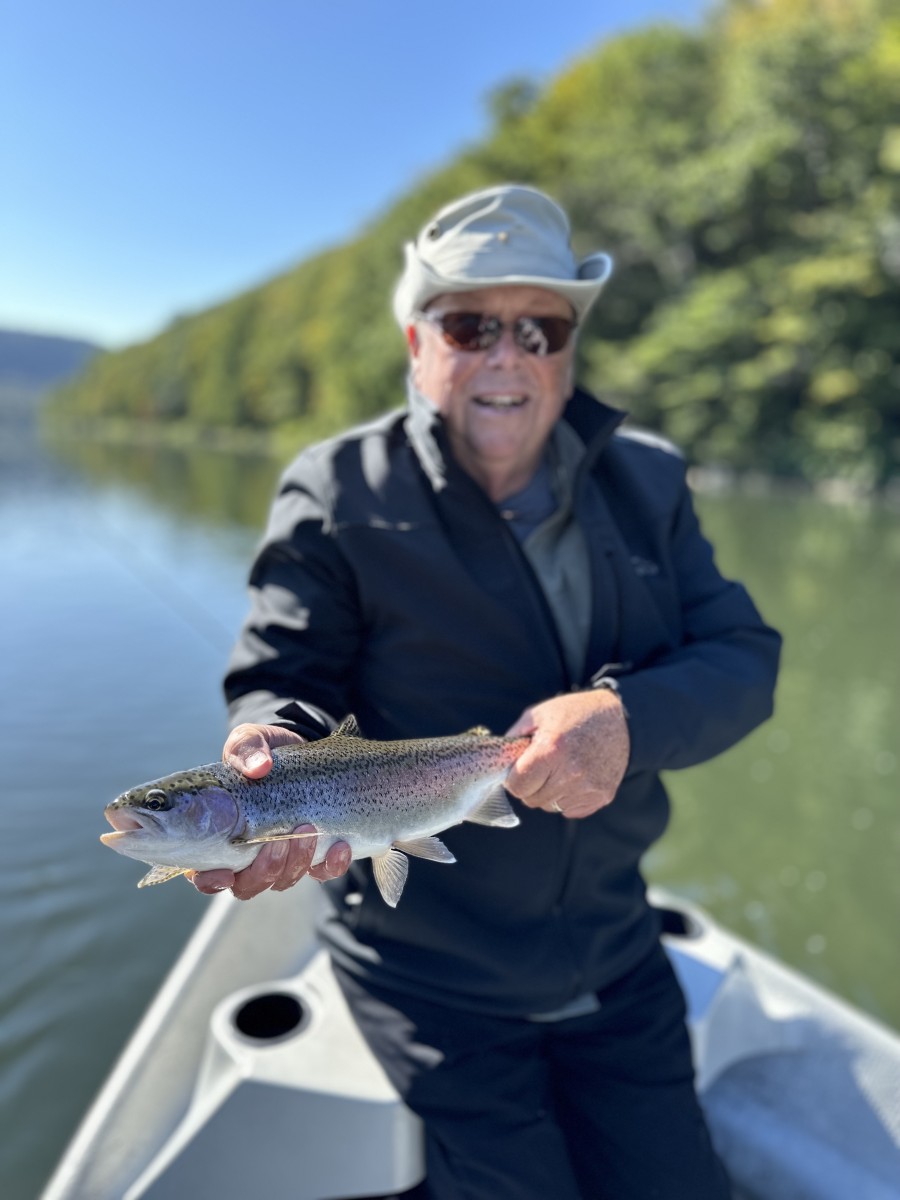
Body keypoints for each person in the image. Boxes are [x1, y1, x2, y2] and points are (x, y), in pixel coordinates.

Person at [191, 184, 781, 1199]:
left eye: (540, 328)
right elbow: (282, 679)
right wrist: (270, 750)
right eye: (471, 325)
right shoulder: (335, 490)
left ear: (569, 350)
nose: (508, 356)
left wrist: (628, 720)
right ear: (418, 344)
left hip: (615, 948)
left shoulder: (650, 482)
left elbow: (742, 657)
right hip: (427, 975)